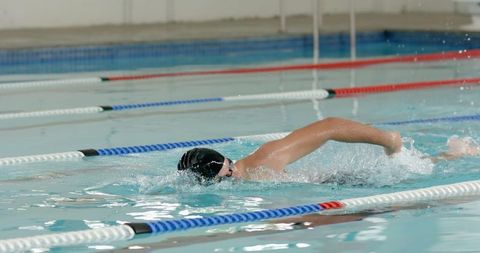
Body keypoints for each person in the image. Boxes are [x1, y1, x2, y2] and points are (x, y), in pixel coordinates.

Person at [177, 117, 479, 184]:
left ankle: (456, 154)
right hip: (341, 183)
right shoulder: (247, 175)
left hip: (346, 182)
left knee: (411, 173)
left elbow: (330, 126)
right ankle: (455, 152)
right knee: (415, 168)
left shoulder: (263, 160)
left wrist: (388, 139)